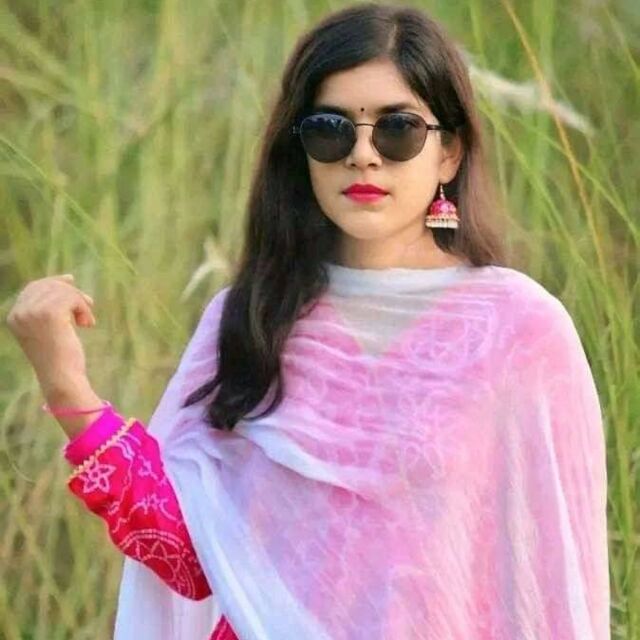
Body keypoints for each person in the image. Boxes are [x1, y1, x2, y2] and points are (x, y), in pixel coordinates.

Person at [6, 2, 610, 639]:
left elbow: (550, 588)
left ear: (449, 153)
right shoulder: (252, 316)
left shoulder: (517, 330)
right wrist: (65, 385)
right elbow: (187, 557)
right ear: (302, 153)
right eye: (330, 130)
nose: (363, 155)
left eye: (397, 129)